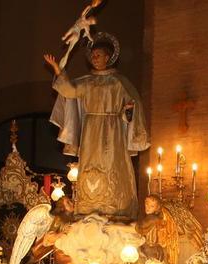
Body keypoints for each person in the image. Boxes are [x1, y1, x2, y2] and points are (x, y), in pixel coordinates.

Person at [44, 36, 149, 219]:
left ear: (108, 57)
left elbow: (132, 103)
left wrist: (128, 111)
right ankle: (90, 206)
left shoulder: (118, 82)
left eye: (98, 55)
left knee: (111, 164)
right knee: (90, 165)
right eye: (92, 56)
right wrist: (56, 68)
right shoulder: (87, 82)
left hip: (112, 129)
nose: (94, 59)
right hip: (91, 131)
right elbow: (69, 90)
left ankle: (114, 205)